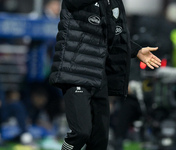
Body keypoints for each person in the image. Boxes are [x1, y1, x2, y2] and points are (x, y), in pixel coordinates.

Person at [49, 0, 161, 150]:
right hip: (75, 70)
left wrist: (137, 50)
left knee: (100, 140)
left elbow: (115, 35)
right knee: (81, 132)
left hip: (98, 76)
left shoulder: (113, 2)